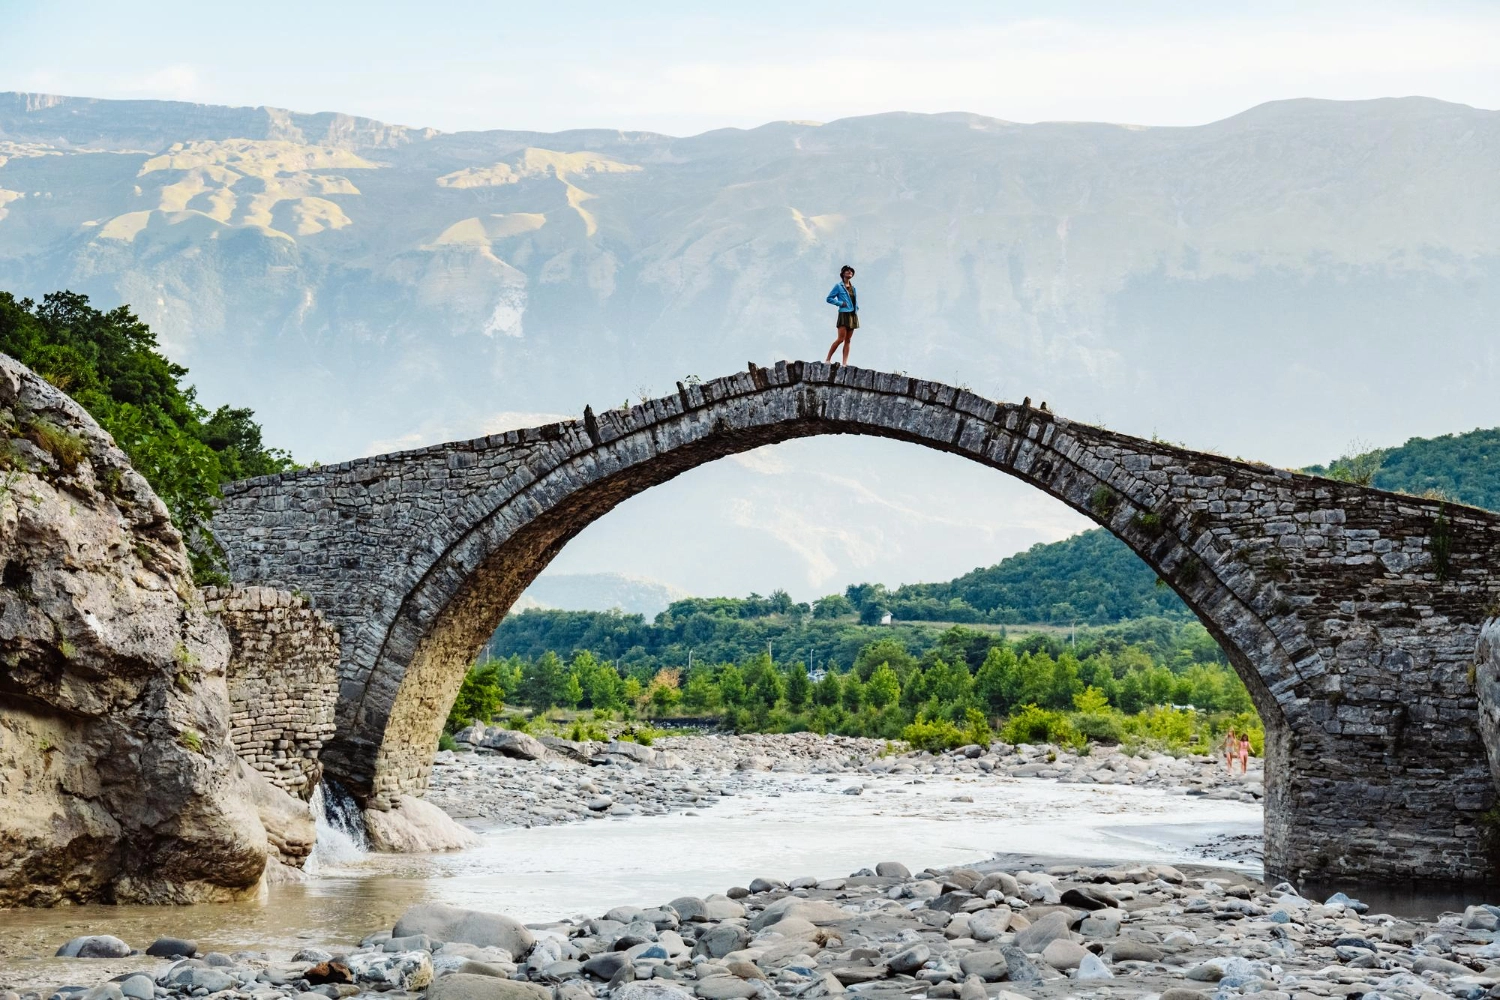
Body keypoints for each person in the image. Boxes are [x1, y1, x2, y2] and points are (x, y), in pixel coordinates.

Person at [824, 265, 858, 364]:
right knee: (841, 339)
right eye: (847, 271)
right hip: (844, 314)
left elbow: (854, 300)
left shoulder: (853, 288)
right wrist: (840, 303)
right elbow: (829, 298)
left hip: (853, 315)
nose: (849, 272)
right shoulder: (838, 286)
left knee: (848, 340)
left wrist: (857, 308)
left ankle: (844, 363)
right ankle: (828, 359)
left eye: (851, 271)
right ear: (843, 273)